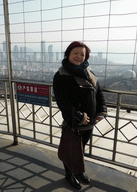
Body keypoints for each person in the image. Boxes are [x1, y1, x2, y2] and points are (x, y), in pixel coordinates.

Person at [53, 41, 107, 189]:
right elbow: (62, 101)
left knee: (81, 148)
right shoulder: (61, 75)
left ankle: (79, 171)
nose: (79, 56)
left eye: (82, 54)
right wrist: (77, 116)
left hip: (90, 123)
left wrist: (102, 110)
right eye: (75, 53)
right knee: (71, 148)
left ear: (86, 56)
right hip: (74, 122)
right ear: (68, 54)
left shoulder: (89, 72)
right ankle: (69, 174)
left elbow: (99, 93)